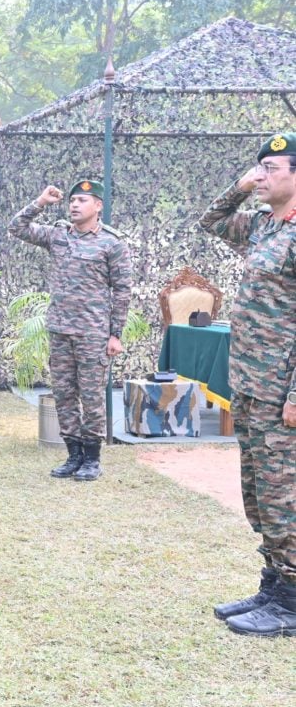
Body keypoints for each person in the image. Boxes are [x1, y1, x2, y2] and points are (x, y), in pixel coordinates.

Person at [197, 132, 296, 638]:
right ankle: (274, 586)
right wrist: (239, 187)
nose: (262, 175)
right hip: (252, 383)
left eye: (272, 168)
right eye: (259, 167)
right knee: (259, 494)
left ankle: (292, 603)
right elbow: (210, 221)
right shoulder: (262, 225)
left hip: (281, 390)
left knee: (285, 497)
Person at [8, 179, 132, 481]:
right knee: (64, 395)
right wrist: (40, 202)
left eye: (82, 200)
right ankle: (73, 455)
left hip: (93, 333)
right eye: (72, 200)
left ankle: (92, 459)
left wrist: (115, 334)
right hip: (60, 330)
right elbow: (17, 227)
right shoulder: (58, 235)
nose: (75, 205)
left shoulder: (112, 243)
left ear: (98, 206)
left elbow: (122, 290)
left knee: (91, 398)